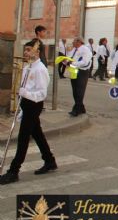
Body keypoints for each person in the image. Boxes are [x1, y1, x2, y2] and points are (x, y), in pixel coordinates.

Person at [0, 41, 57, 184]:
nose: (25, 52)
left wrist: (25, 94)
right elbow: (24, 88)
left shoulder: (40, 69)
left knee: (23, 138)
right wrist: (21, 108)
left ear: (37, 52)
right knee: (37, 134)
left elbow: (41, 94)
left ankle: (13, 171)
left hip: (34, 105)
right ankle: (50, 161)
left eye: (29, 50)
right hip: (26, 105)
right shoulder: (28, 67)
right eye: (25, 50)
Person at [66, 37, 92, 116]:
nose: (73, 43)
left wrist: (72, 64)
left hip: (82, 71)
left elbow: (84, 62)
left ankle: (76, 109)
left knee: (79, 91)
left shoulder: (85, 50)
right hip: (73, 70)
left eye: (74, 41)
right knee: (75, 90)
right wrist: (66, 61)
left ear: (79, 42)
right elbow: (70, 58)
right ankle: (81, 108)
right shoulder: (74, 49)